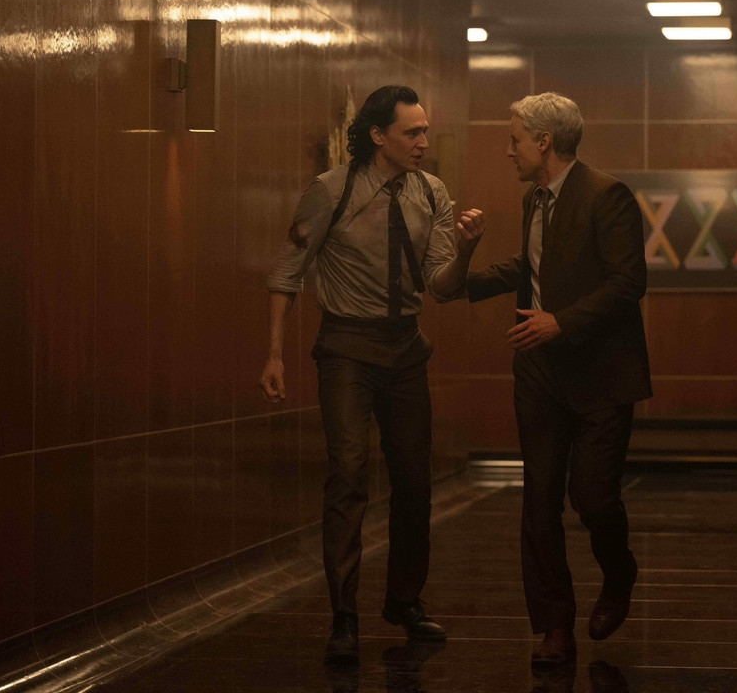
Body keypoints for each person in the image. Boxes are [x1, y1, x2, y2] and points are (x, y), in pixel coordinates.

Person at [260, 85, 485, 663]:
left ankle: (404, 601)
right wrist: (275, 354)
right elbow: (287, 271)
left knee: (414, 481)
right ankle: (344, 615)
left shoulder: (431, 192)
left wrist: (465, 251)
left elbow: (441, 285)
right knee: (349, 474)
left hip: (405, 347)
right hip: (346, 348)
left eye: (425, 131)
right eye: (413, 132)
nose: (424, 142)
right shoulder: (331, 190)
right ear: (379, 135)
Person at [465, 92, 652, 667]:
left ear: (544, 142)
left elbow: (628, 283)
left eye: (515, 139)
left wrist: (560, 322)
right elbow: (535, 266)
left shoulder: (607, 194)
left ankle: (619, 574)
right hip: (539, 373)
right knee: (539, 502)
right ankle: (554, 627)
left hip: (601, 375)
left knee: (593, 499)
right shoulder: (535, 199)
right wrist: (463, 281)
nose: (509, 150)